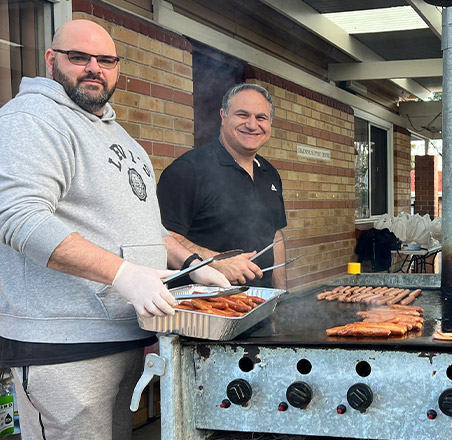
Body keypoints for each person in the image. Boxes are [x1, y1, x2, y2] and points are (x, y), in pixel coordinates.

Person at [0, 20, 229, 440]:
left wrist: (193, 264)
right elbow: (19, 218)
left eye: (105, 60)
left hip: (125, 334)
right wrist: (123, 274)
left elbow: (148, 227)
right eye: (79, 57)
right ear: (51, 60)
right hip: (64, 347)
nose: (94, 68)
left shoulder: (120, 136)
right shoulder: (31, 119)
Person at [157, 83, 288, 288]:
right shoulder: (187, 171)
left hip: (261, 305)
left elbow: (276, 236)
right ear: (223, 115)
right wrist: (216, 263)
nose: (252, 125)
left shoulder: (269, 173)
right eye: (242, 115)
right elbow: (161, 237)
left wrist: (281, 295)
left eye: (261, 117)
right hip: (203, 310)